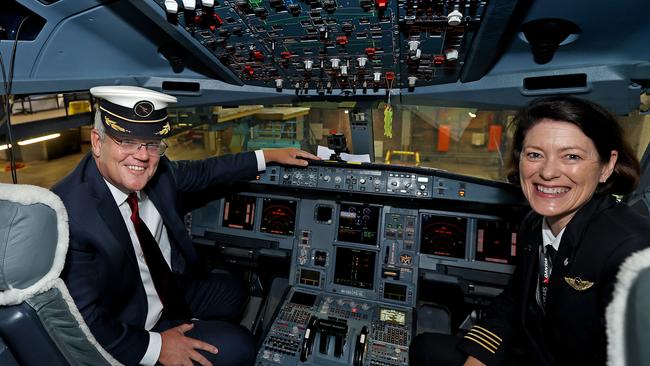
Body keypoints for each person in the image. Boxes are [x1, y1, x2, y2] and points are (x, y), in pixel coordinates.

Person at [51, 85, 319, 366]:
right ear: (97, 141)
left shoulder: (157, 171)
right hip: (132, 323)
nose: (142, 156)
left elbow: (204, 172)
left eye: (152, 143)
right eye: (127, 141)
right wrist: (157, 348)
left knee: (236, 293)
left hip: (170, 287)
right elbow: (81, 321)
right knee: (241, 346)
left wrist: (268, 156)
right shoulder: (69, 215)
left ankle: (188, 323)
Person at [409, 96, 650, 366]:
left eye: (571, 156)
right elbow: (513, 303)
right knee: (425, 346)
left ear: (607, 165)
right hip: (539, 353)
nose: (547, 172)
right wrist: (478, 359)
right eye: (535, 154)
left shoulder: (632, 251)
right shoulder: (534, 225)